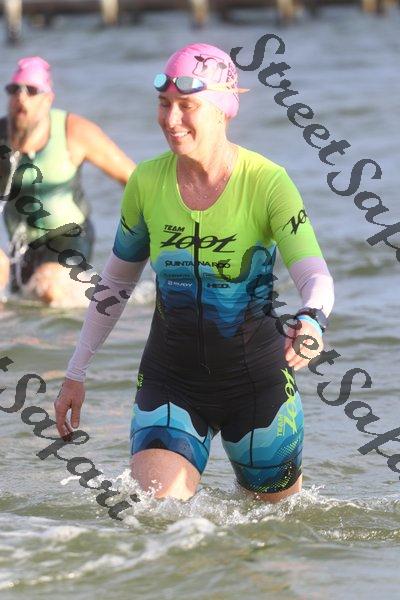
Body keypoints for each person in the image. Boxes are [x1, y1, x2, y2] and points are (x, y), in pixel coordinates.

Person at [55, 44, 334, 503]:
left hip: (258, 386)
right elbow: (116, 284)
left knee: (273, 532)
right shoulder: (146, 183)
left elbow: (315, 276)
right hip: (171, 381)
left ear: (222, 109)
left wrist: (312, 319)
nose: (171, 119)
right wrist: (75, 371)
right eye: (164, 104)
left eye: (187, 106)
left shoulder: (268, 182)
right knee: (155, 516)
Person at [0, 56, 135, 305]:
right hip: (21, 244)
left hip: (71, 236)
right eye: (14, 89)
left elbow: (132, 179)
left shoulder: (75, 132)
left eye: (31, 91)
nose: (21, 98)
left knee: (48, 286)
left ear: (48, 99)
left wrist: (147, 232)